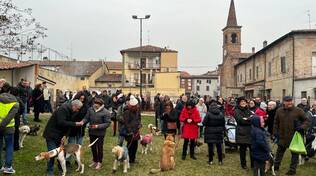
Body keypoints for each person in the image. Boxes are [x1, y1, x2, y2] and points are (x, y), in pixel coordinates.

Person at [42, 100, 83, 176]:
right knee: (52, 153)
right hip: (52, 134)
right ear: (73, 106)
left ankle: (61, 168)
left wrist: (65, 135)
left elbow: (68, 126)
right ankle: (50, 171)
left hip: (60, 135)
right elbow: (61, 122)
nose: (78, 111)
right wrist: (75, 123)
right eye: (77, 109)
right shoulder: (63, 109)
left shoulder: (72, 111)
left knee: (62, 153)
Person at [273, 96, 309, 175]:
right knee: (279, 153)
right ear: (284, 102)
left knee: (294, 154)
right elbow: (275, 122)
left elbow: (306, 120)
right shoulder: (279, 111)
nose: (289, 102)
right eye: (287, 101)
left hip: (294, 137)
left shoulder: (298, 110)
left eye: (290, 101)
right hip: (282, 136)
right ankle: (275, 167)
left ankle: (292, 170)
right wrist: (275, 132)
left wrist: (302, 127)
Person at [80, 98, 111, 170]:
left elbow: (108, 123)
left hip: (100, 133)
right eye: (94, 103)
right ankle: (95, 160)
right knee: (93, 147)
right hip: (91, 132)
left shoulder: (106, 112)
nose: (94, 105)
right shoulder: (90, 109)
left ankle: (99, 162)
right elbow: (86, 118)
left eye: (96, 104)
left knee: (99, 148)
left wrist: (98, 126)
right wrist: (83, 121)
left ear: (100, 105)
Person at [0, 83, 19, 174]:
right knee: (9, 147)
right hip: (9, 129)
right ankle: (7, 167)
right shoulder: (15, 103)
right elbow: (9, 117)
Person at [203, 101, 225, 165]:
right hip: (218, 132)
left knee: (210, 147)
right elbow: (223, 123)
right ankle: (220, 161)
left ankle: (210, 161)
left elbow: (204, 122)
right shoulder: (221, 114)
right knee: (219, 147)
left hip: (210, 132)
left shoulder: (208, 114)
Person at [122, 95, 142, 163]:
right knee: (130, 146)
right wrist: (130, 131)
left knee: (135, 146)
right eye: (136, 106)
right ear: (132, 106)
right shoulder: (127, 112)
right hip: (130, 132)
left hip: (136, 131)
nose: (137, 106)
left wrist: (139, 124)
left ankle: (133, 159)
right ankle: (128, 159)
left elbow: (139, 119)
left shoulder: (137, 110)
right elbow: (126, 123)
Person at [235, 96, 253, 170]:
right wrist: (249, 118)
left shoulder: (248, 110)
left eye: (244, 102)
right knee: (243, 150)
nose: (243, 103)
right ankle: (243, 164)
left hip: (250, 132)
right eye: (242, 102)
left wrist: (247, 119)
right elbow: (240, 121)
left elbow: (253, 119)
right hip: (241, 132)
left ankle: (253, 164)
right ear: (239, 103)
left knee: (252, 150)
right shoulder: (237, 111)